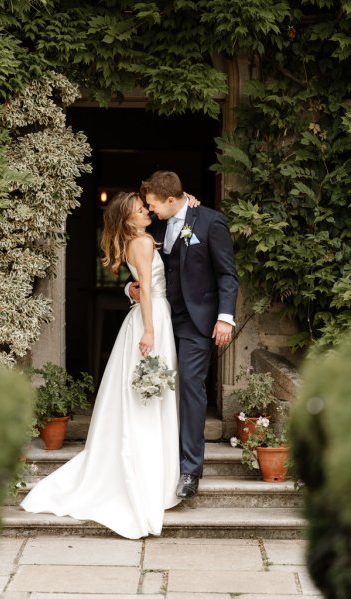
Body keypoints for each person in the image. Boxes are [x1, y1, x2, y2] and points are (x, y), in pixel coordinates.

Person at [21, 191, 181, 539]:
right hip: (151, 321)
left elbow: (140, 285)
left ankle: (152, 471)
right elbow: (149, 292)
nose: (146, 212)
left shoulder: (138, 241)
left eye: (144, 207)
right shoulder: (140, 243)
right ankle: (146, 474)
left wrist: (130, 292)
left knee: (148, 393)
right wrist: (151, 330)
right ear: (128, 219)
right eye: (140, 210)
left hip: (149, 317)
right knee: (147, 395)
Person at [127, 171, 238, 499]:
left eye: (153, 204)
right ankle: (155, 460)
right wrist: (129, 290)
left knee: (190, 386)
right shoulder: (155, 225)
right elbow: (142, 270)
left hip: (196, 321)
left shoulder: (210, 222)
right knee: (153, 384)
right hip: (160, 318)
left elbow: (227, 275)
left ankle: (190, 470)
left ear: (172, 200)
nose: (150, 210)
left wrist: (225, 318)